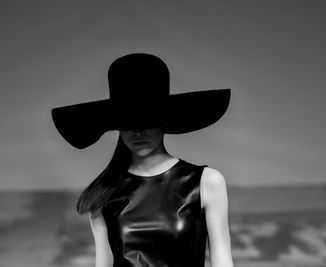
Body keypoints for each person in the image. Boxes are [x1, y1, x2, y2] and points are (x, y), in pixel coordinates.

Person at [51, 53, 234, 267]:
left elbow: (223, 262)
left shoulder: (207, 182)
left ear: (164, 120)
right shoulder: (103, 196)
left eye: (148, 119)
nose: (138, 131)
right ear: (117, 125)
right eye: (128, 121)